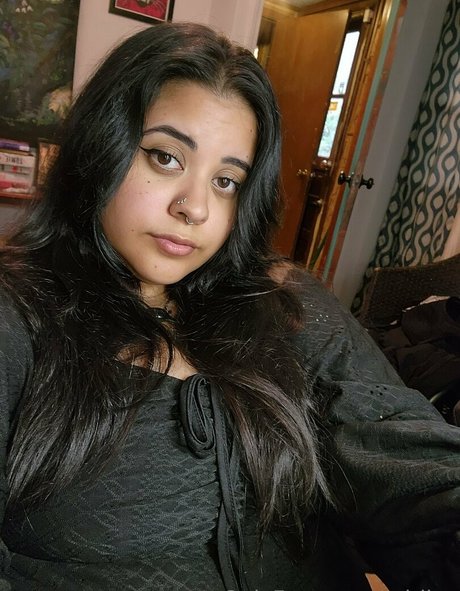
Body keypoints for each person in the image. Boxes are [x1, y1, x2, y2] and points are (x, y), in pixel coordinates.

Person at [0, 22, 458, 591]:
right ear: (100, 148)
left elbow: (402, 447)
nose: (195, 207)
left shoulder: (280, 297)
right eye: (165, 157)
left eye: (226, 181)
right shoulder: (17, 315)